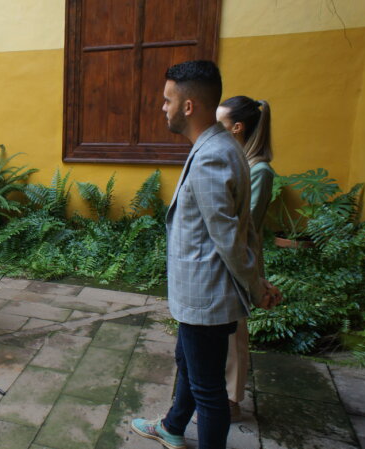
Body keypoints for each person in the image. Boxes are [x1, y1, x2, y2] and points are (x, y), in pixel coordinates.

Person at [130, 60, 281, 449]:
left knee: (209, 390)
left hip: (207, 297)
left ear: (189, 106)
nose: (163, 107)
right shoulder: (218, 146)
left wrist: (255, 285)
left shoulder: (213, 154)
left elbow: (230, 238)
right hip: (203, 296)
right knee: (190, 365)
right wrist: (257, 281)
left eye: (167, 101)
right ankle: (173, 427)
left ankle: (182, 430)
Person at [216, 96, 275, 421]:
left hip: (240, 261)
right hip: (227, 258)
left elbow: (243, 225)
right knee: (222, 333)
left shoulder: (259, 170)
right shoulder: (236, 161)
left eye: (219, 123)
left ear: (236, 127)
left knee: (235, 333)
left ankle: (232, 401)